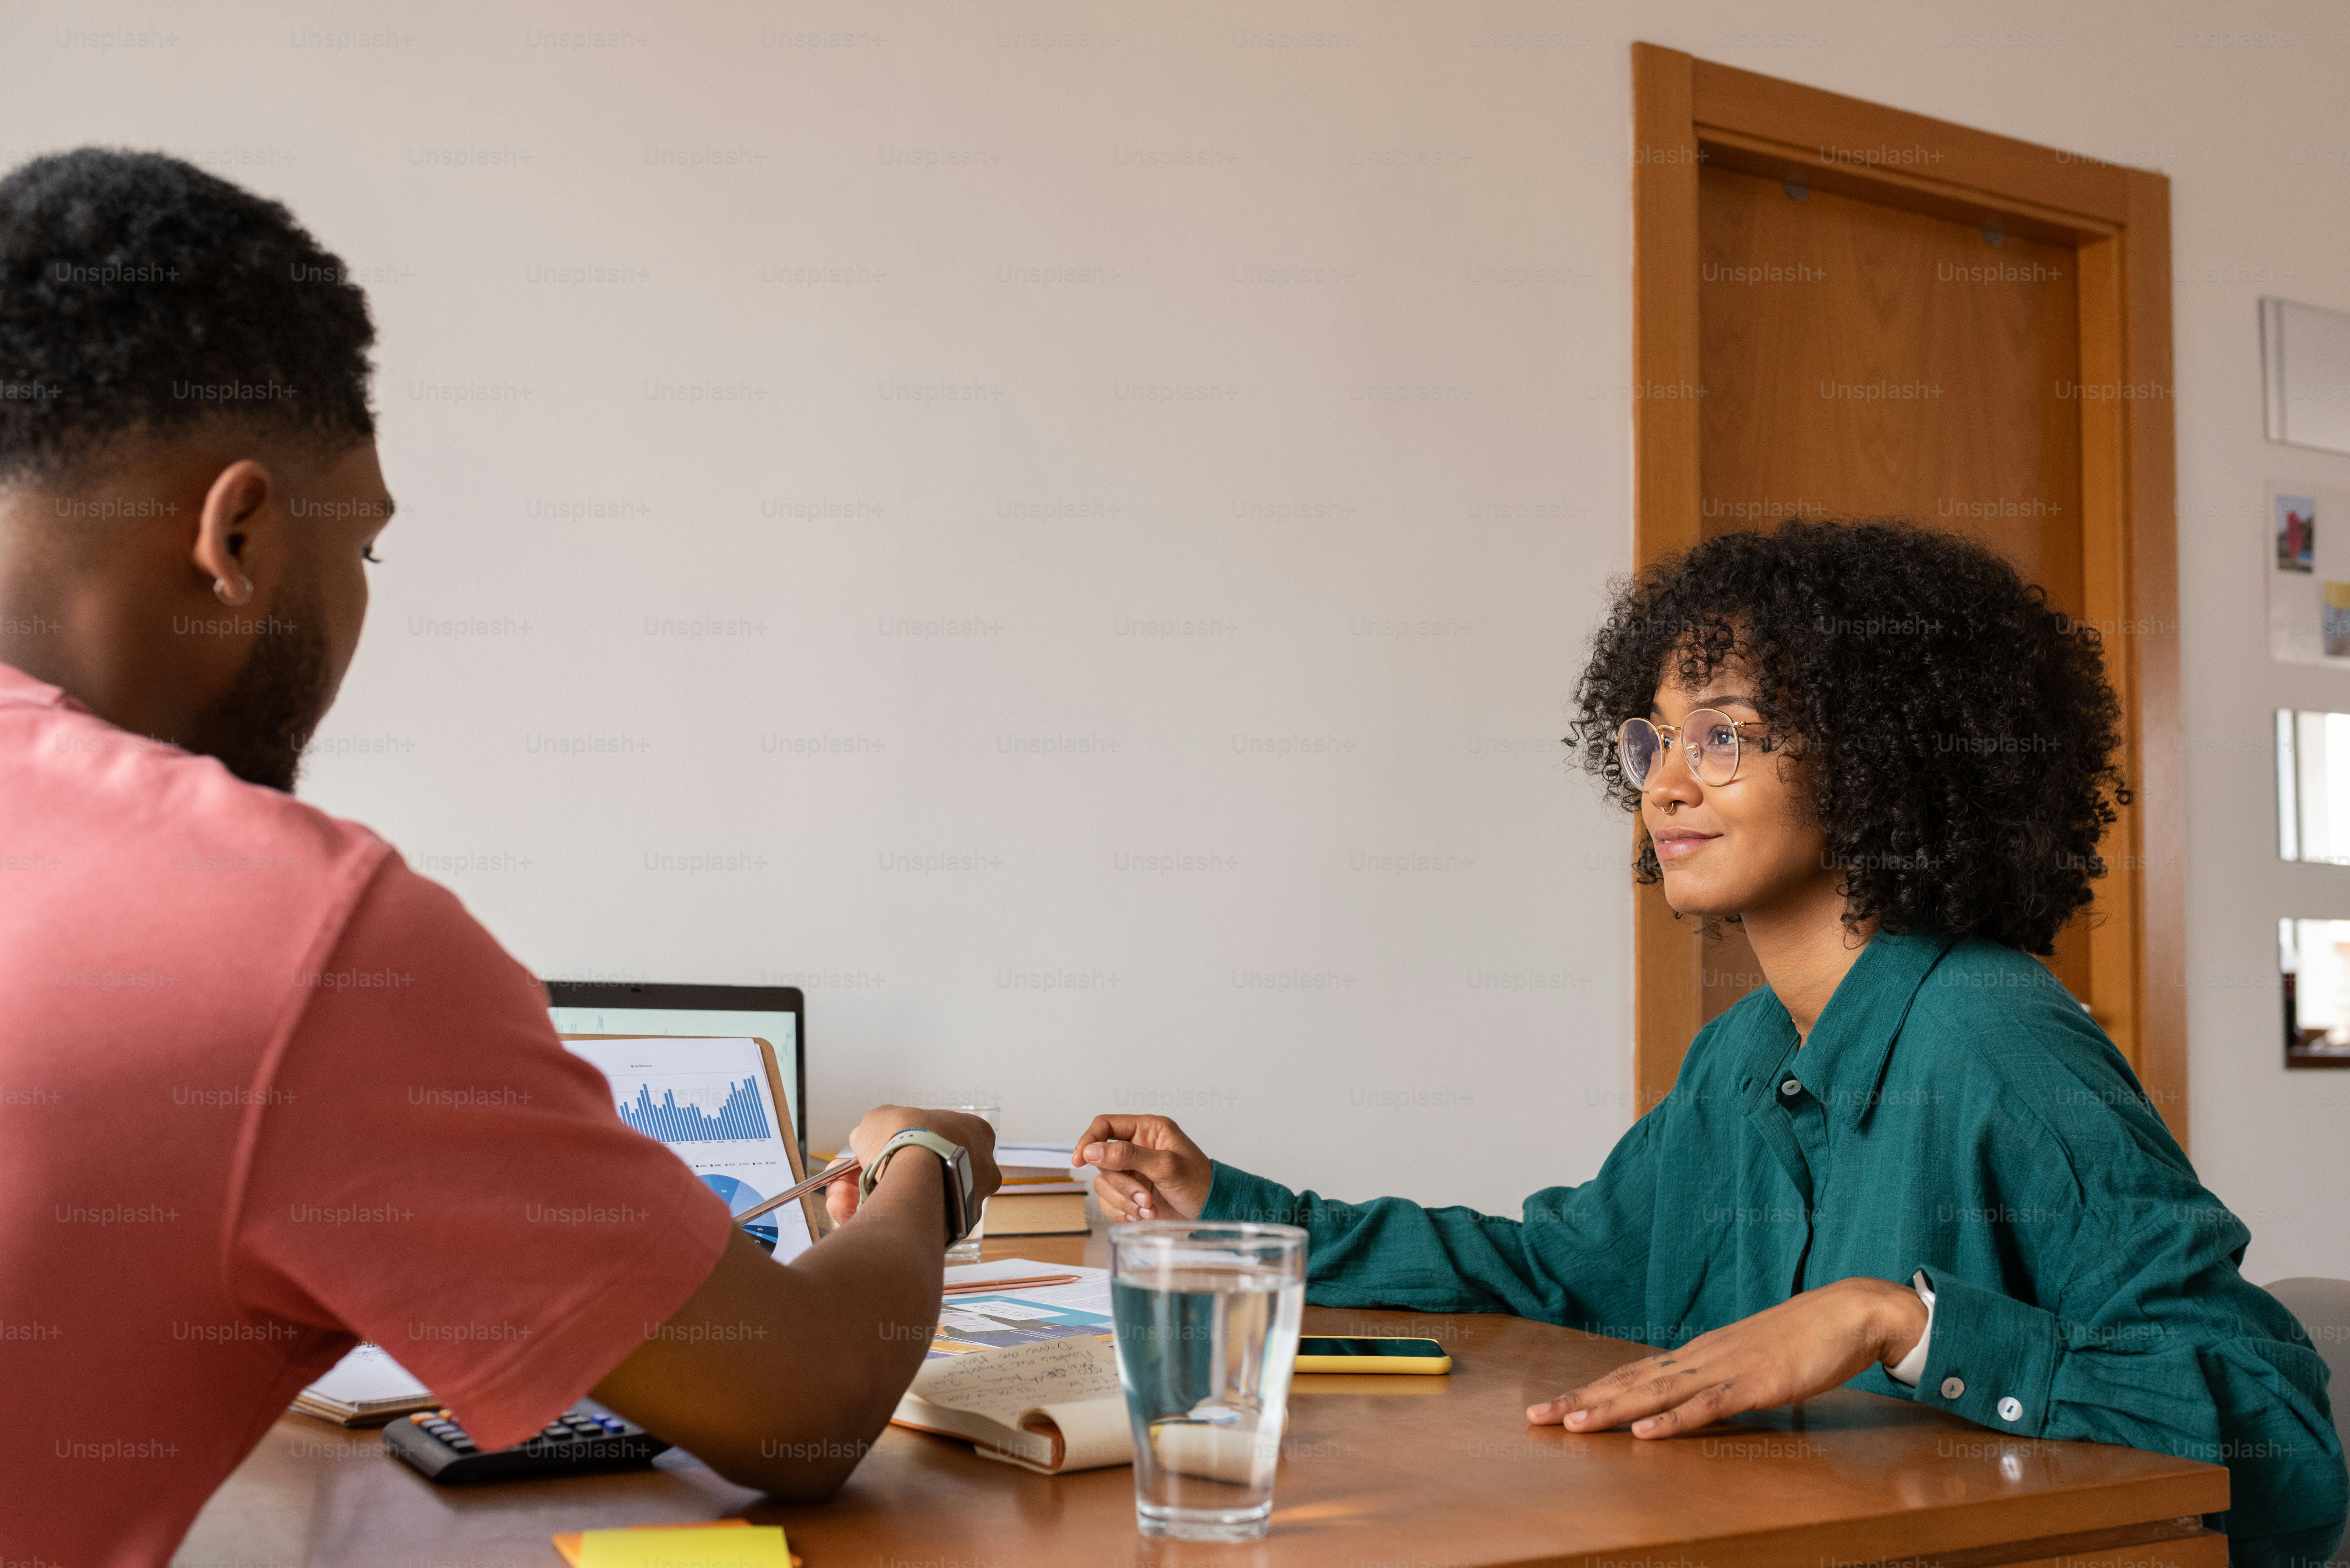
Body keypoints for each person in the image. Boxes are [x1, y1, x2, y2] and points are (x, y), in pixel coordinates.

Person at [0, 149, 993, 1564]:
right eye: (367, 550)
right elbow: (805, 1400)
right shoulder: (287, 932)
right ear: (238, 534)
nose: (357, 603)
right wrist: (920, 1172)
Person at [1075, 522, 2348, 1568]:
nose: (1663, 784)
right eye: (1652, 740)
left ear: (1875, 756)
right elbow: (1556, 1275)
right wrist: (1223, 1203)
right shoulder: (1741, 1055)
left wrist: (1893, 1322)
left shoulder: (1992, 1037)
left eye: (1723, 735)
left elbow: (2281, 1441)